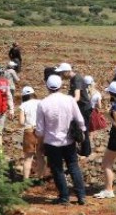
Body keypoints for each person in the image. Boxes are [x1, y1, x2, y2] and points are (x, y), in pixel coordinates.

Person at [35, 75, 87, 205]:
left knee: (57, 169)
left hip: (51, 142)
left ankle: (64, 197)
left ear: (47, 86)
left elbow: (40, 129)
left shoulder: (43, 104)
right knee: (73, 166)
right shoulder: (69, 100)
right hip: (69, 140)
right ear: (61, 86)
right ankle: (81, 196)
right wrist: (83, 132)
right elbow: (79, 119)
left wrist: (40, 145)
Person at [56, 63, 92, 140]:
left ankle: (86, 151)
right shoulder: (73, 79)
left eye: (61, 73)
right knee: (80, 129)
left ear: (67, 72)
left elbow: (77, 97)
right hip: (81, 107)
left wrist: (65, 104)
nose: (61, 75)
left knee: (83, 130)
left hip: (84, 108)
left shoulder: (77, 79)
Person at [18, 86, 45, 182]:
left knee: (28, 158)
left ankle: (25, 181)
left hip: (29, 131)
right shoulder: (41, 102)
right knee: (40, 156)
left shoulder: (23, 105)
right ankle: (40, 179)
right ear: (34, 93)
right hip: (41, 131)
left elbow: (21, 122)